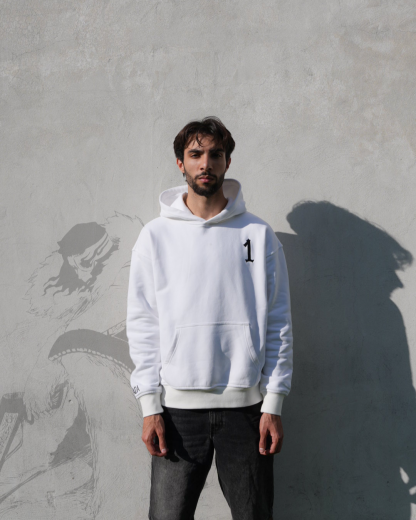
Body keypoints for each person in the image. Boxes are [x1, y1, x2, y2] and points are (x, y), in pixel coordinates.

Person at [126, 116, 294, 520]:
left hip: (246, 410)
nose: (206, 164)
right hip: (177, 412)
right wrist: (149, 405)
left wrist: (274, 402)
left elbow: (279, 322)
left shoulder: (258, 234)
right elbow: (143, 322)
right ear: (180, 163)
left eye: (215, 155)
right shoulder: (155, 236)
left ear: (227, 162)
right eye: (195, 154)